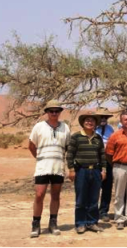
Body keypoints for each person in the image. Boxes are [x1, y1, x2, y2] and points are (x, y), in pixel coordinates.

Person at [29, 100, 71, 238]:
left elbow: (68, 147)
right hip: (42, 167)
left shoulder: (65, 127)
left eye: (57, 111)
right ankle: (36, 224)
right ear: (46, 112)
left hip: (58, 167)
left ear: (60, 112)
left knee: (55, 196)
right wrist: (40, 158)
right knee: (39, 195)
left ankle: (53, 223)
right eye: (51, 111)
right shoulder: (39, 127)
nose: (54, 113)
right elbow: (31, 145)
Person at [66, 112, 107, 234]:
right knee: (81, 199)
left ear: (95, 123)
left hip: (95, 171)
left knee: (94, 199)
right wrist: (71, 169)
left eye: (92, 121)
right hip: (81, 171)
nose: (89, 122)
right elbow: (70, 155)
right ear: (83, 123)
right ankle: (80, 223)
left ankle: (92, 222)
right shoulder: (76, 137)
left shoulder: (98, 137)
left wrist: (104, 169)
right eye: (87, 120)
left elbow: (102, 155)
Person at [95, 109, 115, 223]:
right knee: (95, 187)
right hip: (95, 161)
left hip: (108, 161)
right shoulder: (92, 129)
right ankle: (92, 210)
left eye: (105, 117)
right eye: (101, 117)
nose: (103, 119)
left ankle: (103, 211)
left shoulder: (110, 129)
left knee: (107, 188)